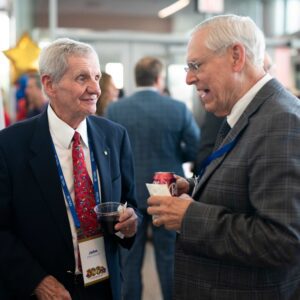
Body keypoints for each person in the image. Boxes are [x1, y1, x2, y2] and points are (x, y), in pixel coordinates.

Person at [147, 14, 300, 300]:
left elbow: (283, 240)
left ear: (236, 57)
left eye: (196, 65)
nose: (189, 78)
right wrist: (194, 188)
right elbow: (247, 189)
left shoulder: (282, 121)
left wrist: (189, 217)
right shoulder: (249, 113)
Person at [0, 38, 139, 300]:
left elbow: (129, 203)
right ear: (49, 84)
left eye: (97, 77)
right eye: (82, 78)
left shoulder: (115, 136)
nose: (96, 89)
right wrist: (38, 282)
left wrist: (130, 224)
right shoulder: (10, 145)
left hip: (103, 286)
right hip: (43, 289)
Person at [106, 56, 200, 300]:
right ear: (159, 79)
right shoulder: (177, 108)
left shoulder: (116, 108)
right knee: (168, 256)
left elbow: (109, 149)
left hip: (130, 189)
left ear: (137, 79)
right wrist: (172, 154)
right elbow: (195, 147)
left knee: (130, 258)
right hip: (166, 186)